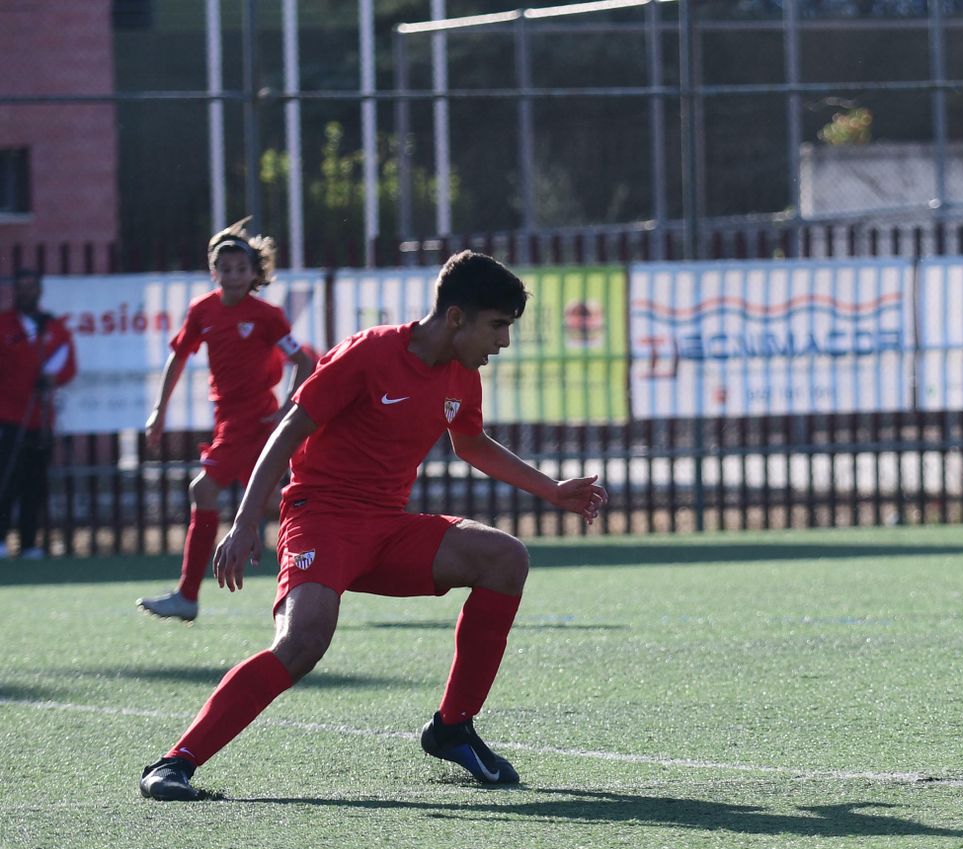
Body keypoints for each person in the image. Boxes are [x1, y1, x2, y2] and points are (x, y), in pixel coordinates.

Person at [138, 250, 609, 801]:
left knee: (506, 558)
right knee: (302, 643)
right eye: (498, 325)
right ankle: (176, 762)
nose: (503, 342)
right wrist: (245, 522)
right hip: (322, 521)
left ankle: (452, 727)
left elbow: (471, 442)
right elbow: (290, 428)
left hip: (387, 528)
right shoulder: (373, 352)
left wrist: (550, 490)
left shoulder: (461, 372)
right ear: (456, 317)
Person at [137, 218, 317, 621]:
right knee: (275, 503)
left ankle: (187, 596)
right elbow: (179, 356)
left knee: (204, 490)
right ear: (214, 272)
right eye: (226, 269)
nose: (233, 276)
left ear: (255, 273)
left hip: (253, 422)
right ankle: (322, 545)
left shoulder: (266, 316)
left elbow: (304, 361)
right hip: (229, 421)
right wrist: (159, 409)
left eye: (241, 269)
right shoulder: (203, 310)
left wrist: (288, 408)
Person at [0, 269, 78, 559]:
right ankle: (1, 539)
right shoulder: (4, 325)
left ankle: (30, 543)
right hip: (8, 419)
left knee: (35, 483)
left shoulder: (53, 326)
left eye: (31, 287)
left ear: (39, 291)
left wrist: (51, 380)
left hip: (41, 421)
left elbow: (68, 364)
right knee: (7, 479)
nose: (26, 292)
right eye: (21, 287)